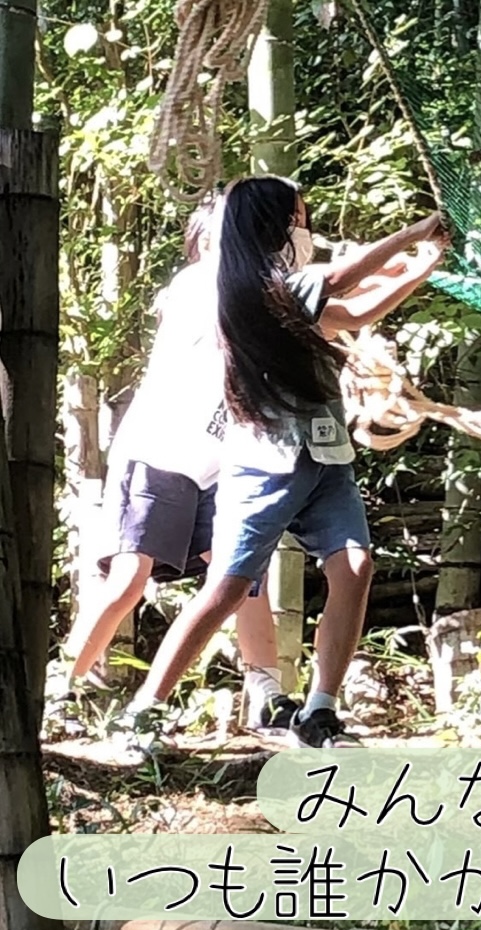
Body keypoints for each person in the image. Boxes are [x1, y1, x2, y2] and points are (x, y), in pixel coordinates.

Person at [119, 176, 451, 748]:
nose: (305, 230)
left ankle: (320, 711)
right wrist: (414, 234)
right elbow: (340, 279)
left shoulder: (288, 293)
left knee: (354, 567)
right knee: (227, 589)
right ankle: (143, 712)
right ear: (271, 228)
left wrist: (423, 266)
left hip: (325, 455)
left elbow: (353, 311)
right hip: (263, 462)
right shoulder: (243, 290)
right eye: (297, 220)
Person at [63, 196, 295, 731]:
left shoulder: (259, 288)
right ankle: (60, 688)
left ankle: (268, 693)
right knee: (129, 579)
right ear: (208, 240)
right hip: (160, 451)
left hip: (220, 462)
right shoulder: (196, 283)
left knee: (242, 576)